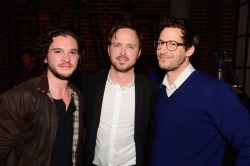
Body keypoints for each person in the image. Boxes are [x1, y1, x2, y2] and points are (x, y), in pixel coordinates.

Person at [151, 17, 250, 166]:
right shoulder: (158, 89)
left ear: (189, 49)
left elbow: (247, 141)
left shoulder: (216, 92)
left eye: (172, 44)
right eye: (160, 42)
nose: (162, 50)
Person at [0, 25, 85, 166]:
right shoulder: (21, 97)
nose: (67, 58)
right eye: (58, 51)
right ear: (45, 57)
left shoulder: (78, 97)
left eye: (73, 52)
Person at [81, 20, 160, 166]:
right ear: (109, 49)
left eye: (130, 46)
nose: (123, 52)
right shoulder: (89, 84)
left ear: (139, 53)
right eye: (117, 45)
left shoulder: (151, 90)